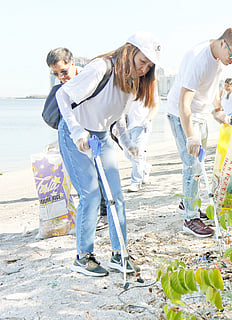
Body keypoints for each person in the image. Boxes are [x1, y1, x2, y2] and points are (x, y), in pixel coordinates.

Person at [55, 31, 161, 277]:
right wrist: (76, 132)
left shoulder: (132, 80)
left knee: (116, 196)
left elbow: (118, 118)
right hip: (77, 135)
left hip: (101, 137)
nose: (144, 69)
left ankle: (119, 254)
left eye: (149, 65)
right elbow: (63, 95)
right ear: (129, 52)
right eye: (142, 61)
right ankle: (83, 257)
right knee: (91, 195)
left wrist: (127, 144)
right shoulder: (101, 68)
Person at [166, 27, 232, 238]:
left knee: (199, 163)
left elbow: (212, 89)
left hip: (200, 115)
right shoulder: (198, 59)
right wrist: (191, 135)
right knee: (192, 164)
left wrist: (219, 112)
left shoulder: (219, 59)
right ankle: (190, 218)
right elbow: (183, 103)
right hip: (182, 115)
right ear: (223, 43)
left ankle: (188, 203)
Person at [46, 48, 109, 231]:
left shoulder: (89, 77)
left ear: (72, 63)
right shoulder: (63, 88)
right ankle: (89, 215)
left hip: (96, 130)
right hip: (76, 135)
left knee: (100, 172)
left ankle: (104, 215)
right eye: (56, 73)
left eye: (63, 71)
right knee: (83, 178)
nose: (61, 77)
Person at [124, 97, 160, 192]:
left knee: (137, 154)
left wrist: (148, 120)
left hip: (142, 125)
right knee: (128, 154)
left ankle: (136, 182)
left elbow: (156, 106)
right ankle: (145, 168)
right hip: (127, 126)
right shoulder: (128, 86)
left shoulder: (149, 85)